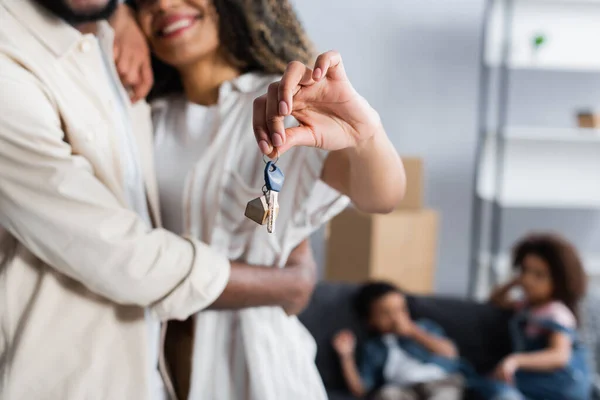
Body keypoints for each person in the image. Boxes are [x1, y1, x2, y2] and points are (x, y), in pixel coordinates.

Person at [0, 1, 404, 400]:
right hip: (161, 366)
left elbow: (380, 197)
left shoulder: (285, 104)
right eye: (143, 1)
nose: (162, 4)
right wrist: (281, 285)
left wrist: (365, 136)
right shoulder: (143, 116)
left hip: (257, 364)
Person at [471, 233, 590, 400]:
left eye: (539, 275)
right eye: (525, 271)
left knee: (496, 388)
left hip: (557, 383)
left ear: (559, 280)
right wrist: (515, 281)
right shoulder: (526, 307)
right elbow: (495, 300)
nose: (528, 280)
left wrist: (515, 361)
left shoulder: (556, 311)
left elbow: (559, 356)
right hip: (534, 381)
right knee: (485, 384)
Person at [332, 282, 464, 400]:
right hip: (403, 389)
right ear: (370, 320)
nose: (396, 318)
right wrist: (346, 356)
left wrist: (413, 331)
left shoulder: (423, 327)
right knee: (385, 395)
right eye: (386, 313)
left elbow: (449, 353)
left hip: (438, 382)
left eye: (401, 310)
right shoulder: (373, 348)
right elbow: (361, 390)